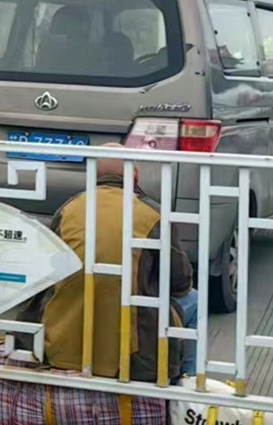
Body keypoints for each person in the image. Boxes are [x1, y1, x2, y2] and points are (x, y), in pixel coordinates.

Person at [25, 143, 199, 382]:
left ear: (93, 175)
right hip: (134, 357)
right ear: (134, 173)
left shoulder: (69, 209)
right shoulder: (153, 214)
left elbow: (45, 269)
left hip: (60, 346)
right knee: (195, 301)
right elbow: (181, 283)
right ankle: (184, 388)